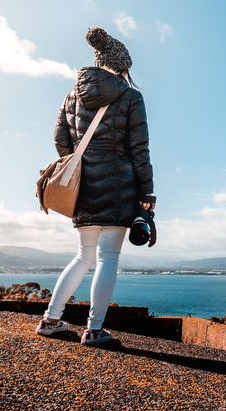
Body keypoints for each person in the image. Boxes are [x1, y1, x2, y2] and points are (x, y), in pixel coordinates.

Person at [35, 27, 155, 345]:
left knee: (82, 256)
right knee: (108, 259)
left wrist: (80, 168)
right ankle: (95, 328)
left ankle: (51, 319)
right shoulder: (131, 97)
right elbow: (139, 150)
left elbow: (61, 139)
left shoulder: (73, 95)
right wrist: (147, 192)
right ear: (121, 66)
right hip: (120, 188)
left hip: (83, 189)